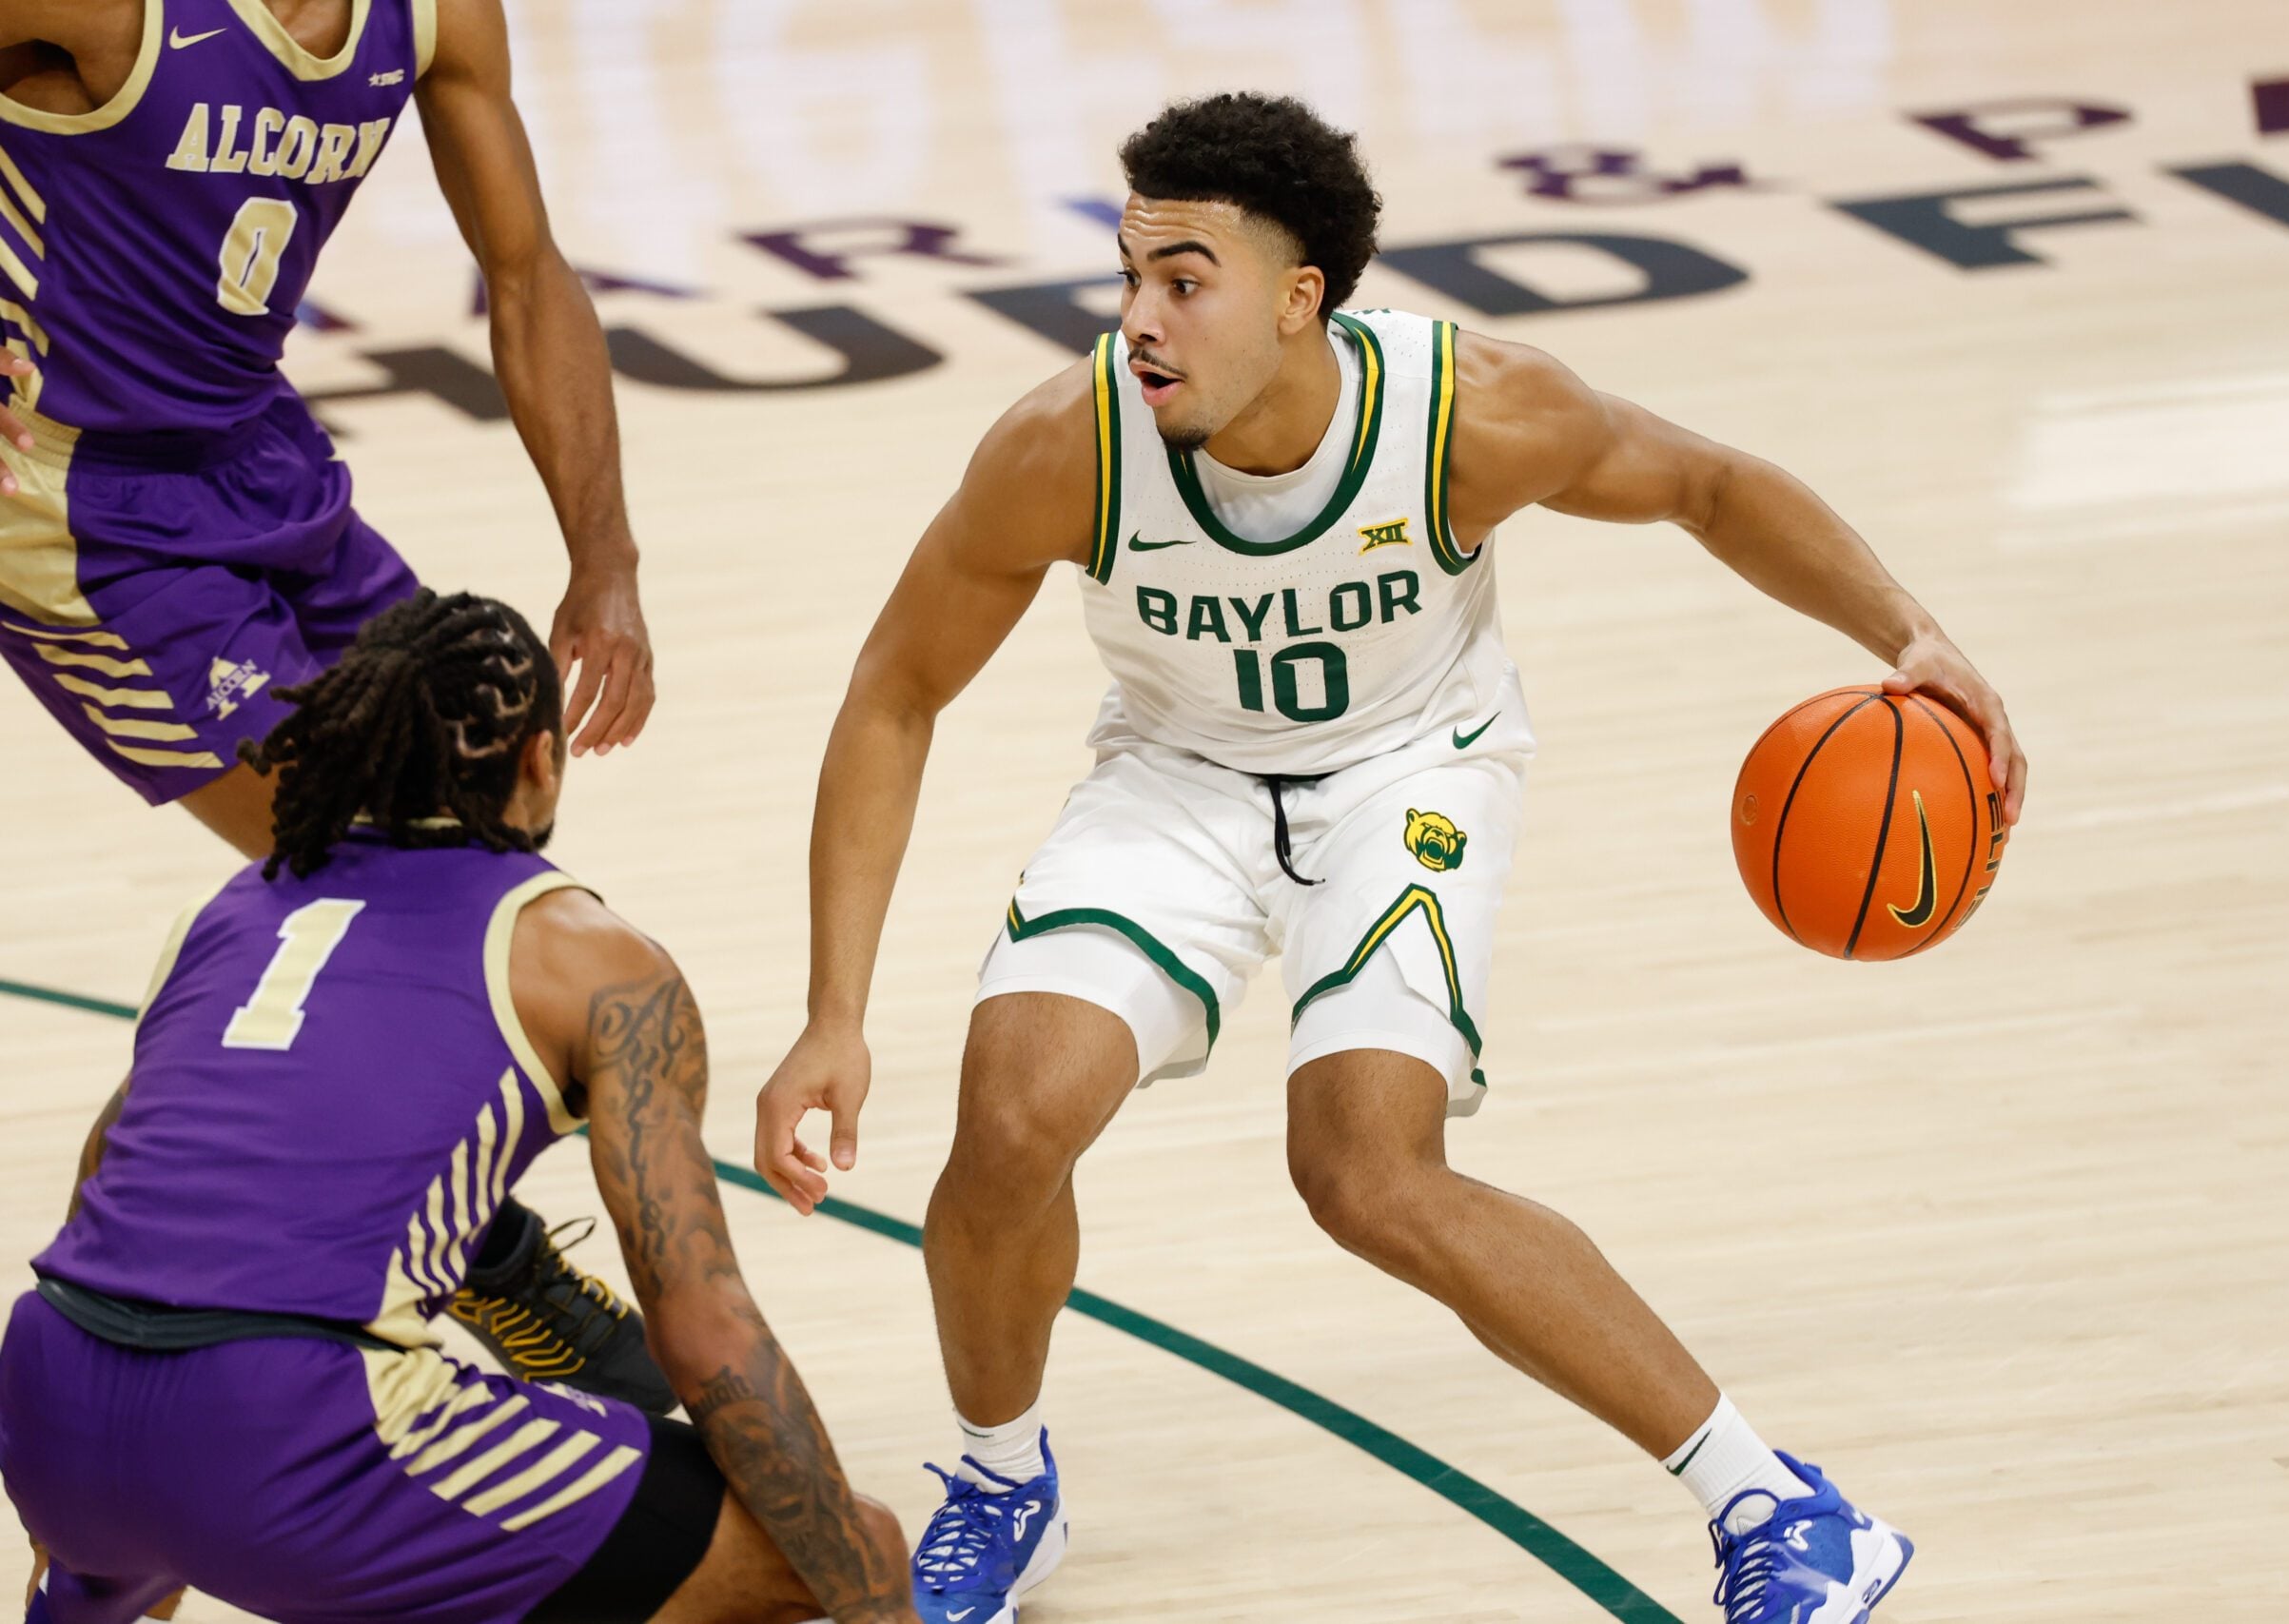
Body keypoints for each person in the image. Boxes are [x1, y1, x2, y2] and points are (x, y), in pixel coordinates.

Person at [756, 93, 2028, 1624]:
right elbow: (896, 691)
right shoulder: (1067, 445)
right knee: (1011, 1119)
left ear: (1300, 300)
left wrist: (1911, 635)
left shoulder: (1470, 412)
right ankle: (1001, 1480)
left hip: (1411, 774)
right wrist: (835, 1010)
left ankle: (1781, 1501)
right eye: (1128, 273)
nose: (1138, 318)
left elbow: (1708, 484)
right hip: (1182, 778)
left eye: (1184, 278)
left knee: (1365, 1172)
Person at [0, 591, 916, 1624]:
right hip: (291, 1426)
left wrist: (75, 1485)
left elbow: (104, 1177)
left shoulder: (231, 910)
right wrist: (871, 1587)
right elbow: (704, 1333)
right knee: (840, 1550)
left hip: (47, 1392)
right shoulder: (594, 962)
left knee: (156, 1526)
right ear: (538, 759)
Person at [0, 0, 663, 1402]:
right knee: (375, 878)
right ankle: (166, 1313)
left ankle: (445, 1239)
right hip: (83, 514)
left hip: (260, 451)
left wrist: (603, 555)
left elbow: (528, 271)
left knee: (478, 835)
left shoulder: (430, 17)